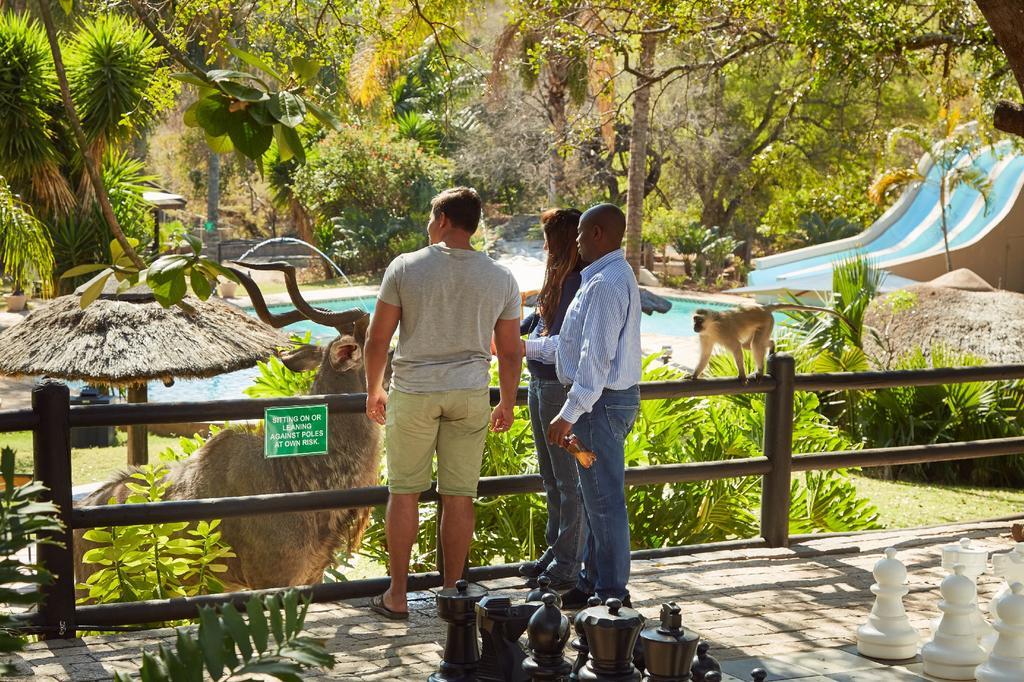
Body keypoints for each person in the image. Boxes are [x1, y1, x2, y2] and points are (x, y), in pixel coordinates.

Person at [363, 187, 522, 620]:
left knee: (404, 493)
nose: (429, 226)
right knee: (459, 498)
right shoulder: (501, 277)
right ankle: (451, 594)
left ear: (446, 220)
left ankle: (397, 596)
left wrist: (373, 389)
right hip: (470, 394)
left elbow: (377, 340)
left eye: (432, 218)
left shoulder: (406, 268)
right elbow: (510, 351)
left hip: (414, 392)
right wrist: (507, 402)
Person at [523, 203, 641, 608]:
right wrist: (521, 346)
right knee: (594, 501)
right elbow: (569, 345)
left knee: (604, 501)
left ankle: (611, 595)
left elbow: (596, 359)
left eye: (580, 233)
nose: (574, 241)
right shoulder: (598, 279)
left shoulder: (607, 283)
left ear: (598, 234)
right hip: (599, 402)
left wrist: (568, 412)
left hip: (600, 405)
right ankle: (592, 585)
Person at [518, 208, 587, 591]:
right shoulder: (559, 281)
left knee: (567, 479)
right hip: (540, 384)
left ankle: (568, 564)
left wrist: (521, 344)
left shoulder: (577, 282)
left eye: (546, 238)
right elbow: (540, 323)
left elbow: (565, 344)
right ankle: (557, 550)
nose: (543, 246)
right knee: (551, 477)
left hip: (557, 387)